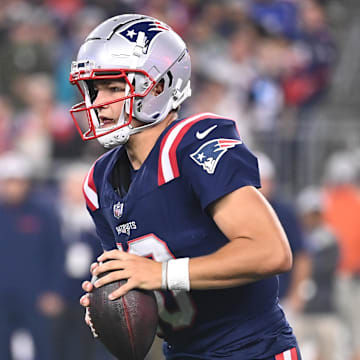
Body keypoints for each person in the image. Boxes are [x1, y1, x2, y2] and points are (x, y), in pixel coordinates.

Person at [69, 14, 302, 359]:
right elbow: (143, 288)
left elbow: (271, 251)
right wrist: (114, 302)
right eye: (95, 89)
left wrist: (161, 274)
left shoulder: (192, 146)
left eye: (115, 88)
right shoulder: (99, 182)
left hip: (252, 350)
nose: (99, 103)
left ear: (159, 86)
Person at [0, 151, 65, 360]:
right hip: (2, 295)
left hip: (36, 295)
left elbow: (57, 252)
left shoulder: (43, 213)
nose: (13, 187)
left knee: (44, 348)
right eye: (8, 181)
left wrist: (54, 291)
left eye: (18, 181)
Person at [256, 152, 311, 312]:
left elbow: (302, 255)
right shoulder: (233, 212)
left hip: (281, 299)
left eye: (263, 180)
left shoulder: (285, 213)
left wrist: (297, 294)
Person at [292, 186, 342, 360]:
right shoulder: (296, 237)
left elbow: (323, 267)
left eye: (314, 214)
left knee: (329, 353)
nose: (310, 218)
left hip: (325, 308)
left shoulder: (329, 238)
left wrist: (303, 264)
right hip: (300, 310)